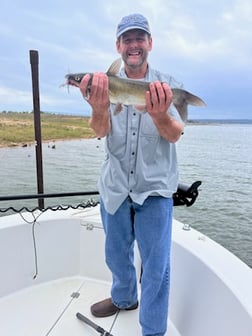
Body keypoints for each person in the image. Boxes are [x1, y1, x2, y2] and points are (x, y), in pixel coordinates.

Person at [79, 13, 184, 336]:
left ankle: (152, 331)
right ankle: (124, 298)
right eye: (127, 39)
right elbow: (99, 131)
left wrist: (159, 115)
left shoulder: (167, 85)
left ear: (150, 43)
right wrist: (99, 108)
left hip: (154, 189)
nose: (134, 45)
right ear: (118, 46)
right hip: (115, 186)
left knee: (156, 269)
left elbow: (175, 133)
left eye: (140, 38)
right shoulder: (102, 83)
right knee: (115, 253)